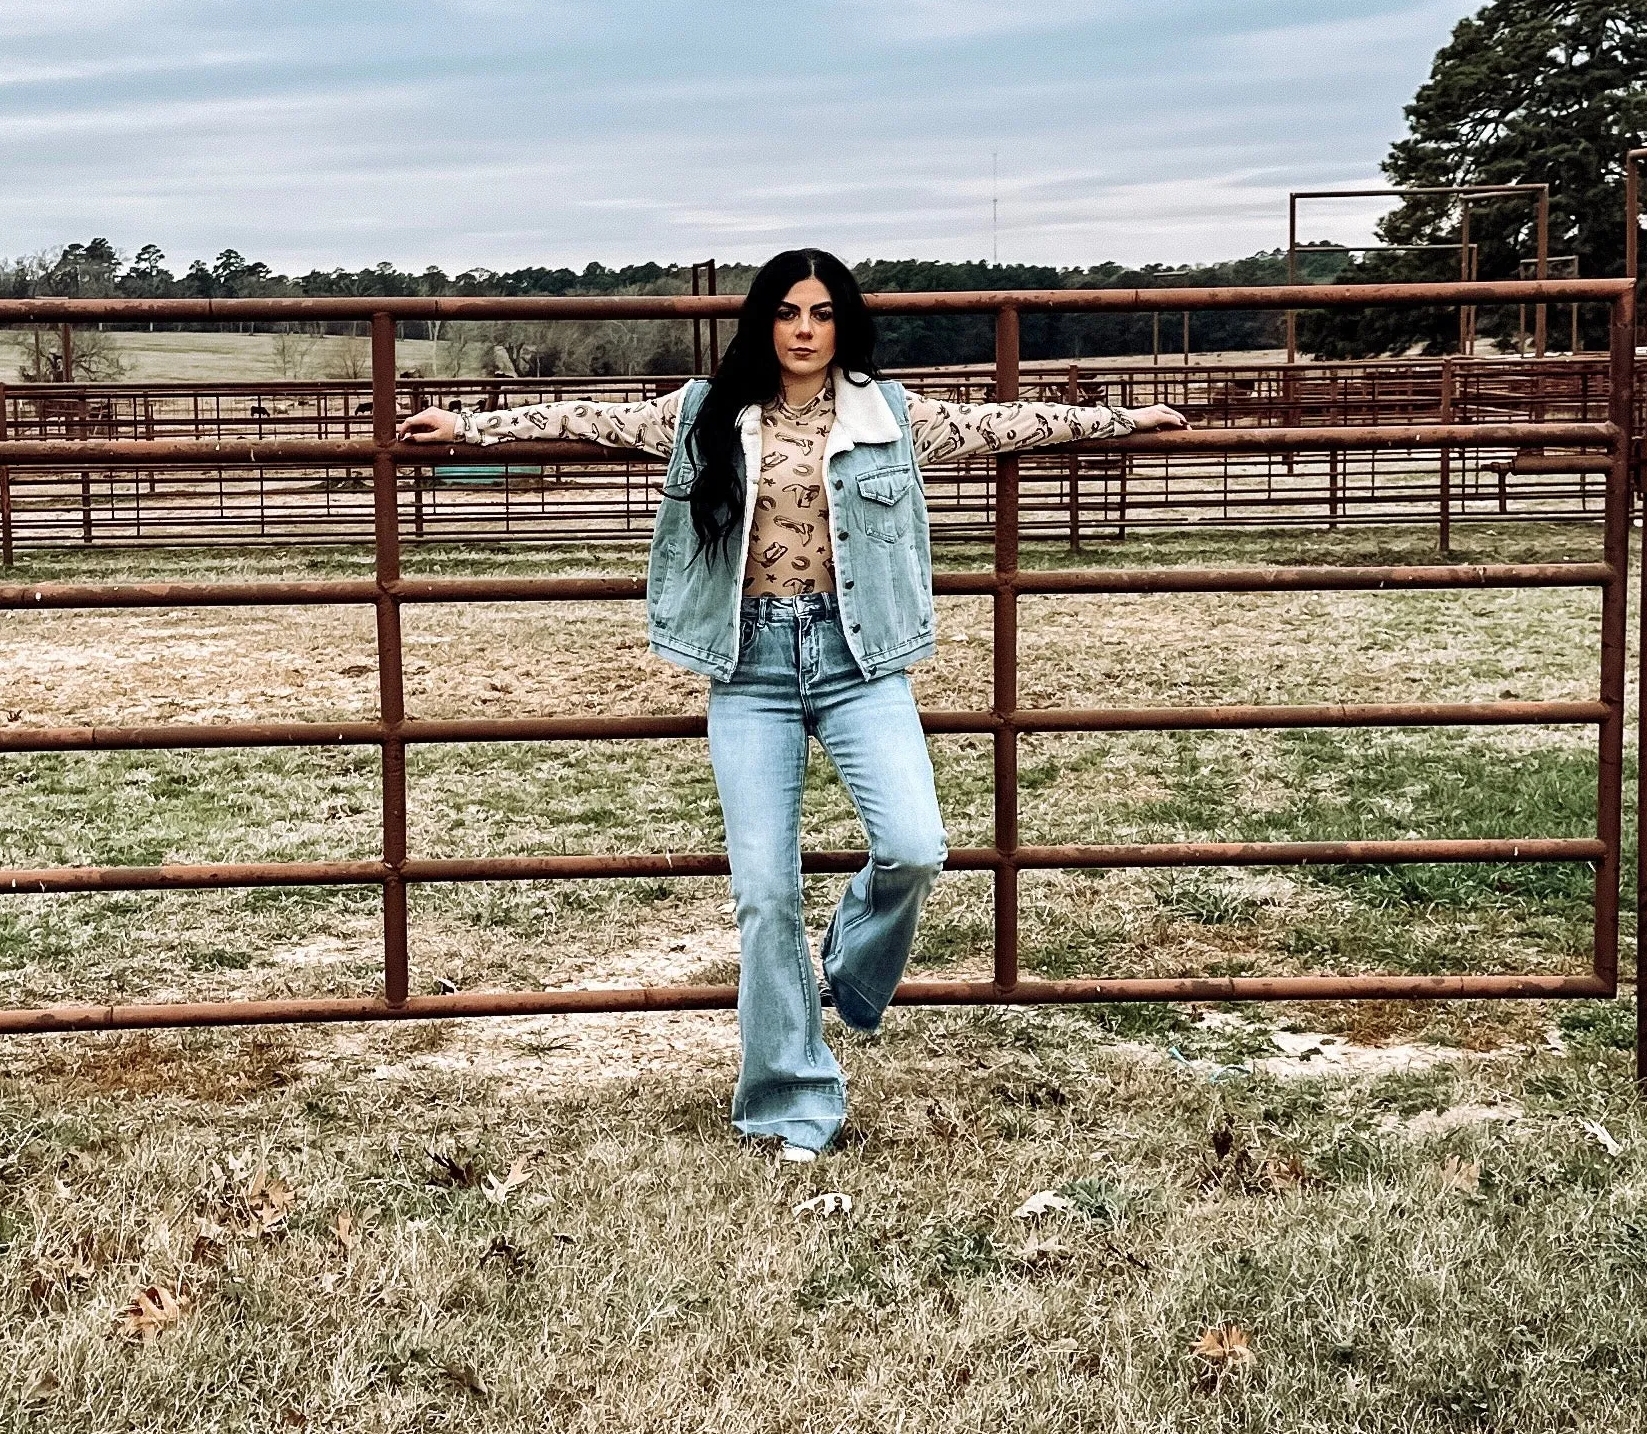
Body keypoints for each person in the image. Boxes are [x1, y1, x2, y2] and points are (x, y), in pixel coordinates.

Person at [404, 249, 1182, 1154]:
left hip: (861, 661)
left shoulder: (891, 416)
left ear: (843, 323)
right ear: (762, 323)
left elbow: (1003, 423)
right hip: (752, 666)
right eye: (786, 313)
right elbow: (592, 417)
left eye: (820, 313)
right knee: (766, 892)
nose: (805, 330)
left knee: (914, 845)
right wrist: (472, 424)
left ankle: (851, 968)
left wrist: (1125, 416)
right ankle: (791, 1100)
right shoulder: (704, 413)